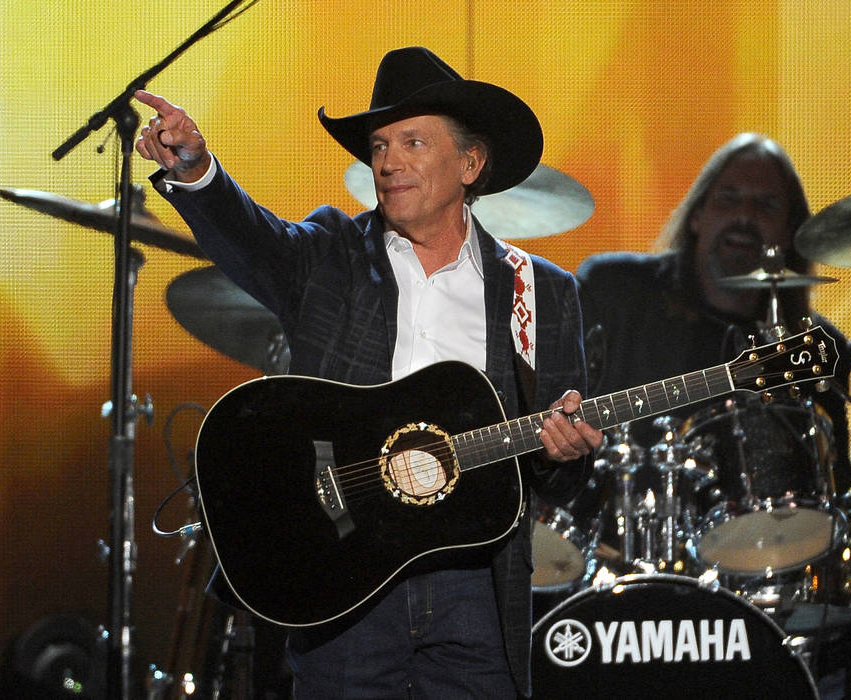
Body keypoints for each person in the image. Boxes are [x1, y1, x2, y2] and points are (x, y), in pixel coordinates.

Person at [134, 46, 602, 699]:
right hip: (344, 585)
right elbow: (251, 238)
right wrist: (195, 169)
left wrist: (566, 452)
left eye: (412, 141)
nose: (387, 161)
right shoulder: (330, 259)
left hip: (476, 594)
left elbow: (566, 474)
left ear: (472, 163)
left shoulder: (541, 294)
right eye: (379, 146)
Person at [575, 133, 851, 698]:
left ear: (791, 232)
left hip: (757, 570)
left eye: (764, 206)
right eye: (728, 199)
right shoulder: (615, 289)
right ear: (696, 216)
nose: (743, 217)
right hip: (616, 561)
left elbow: (828, 486)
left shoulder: (815, 347)